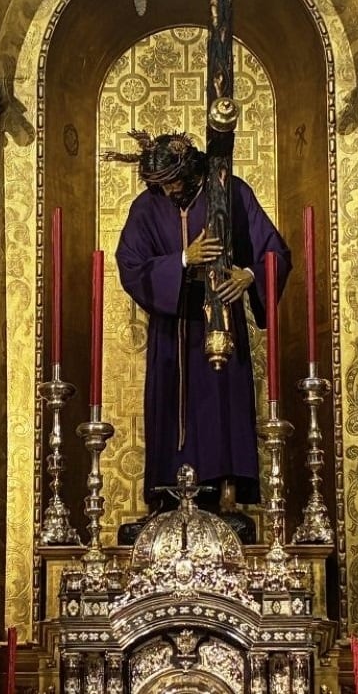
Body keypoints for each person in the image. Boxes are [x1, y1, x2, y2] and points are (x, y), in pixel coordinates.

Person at [113, 132, 291, 514]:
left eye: (174, 181)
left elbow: (274, 251)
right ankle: (169, 498)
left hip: (221, 323)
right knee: (172, 410)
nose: (169, 189)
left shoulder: (230, 192)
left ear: (191, 169)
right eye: (160, 184)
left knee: (222, 406)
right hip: (173, 329)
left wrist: (250, 275)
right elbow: (130, 265)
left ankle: (226, 491)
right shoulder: (146, 207)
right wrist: (180, 260)